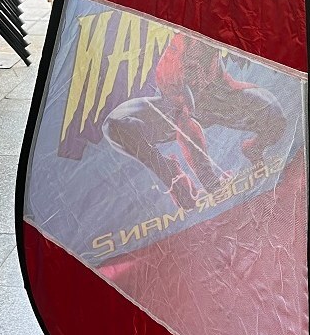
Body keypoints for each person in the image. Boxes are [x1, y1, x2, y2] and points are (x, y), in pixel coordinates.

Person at [103, 33, 286, 210]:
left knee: (275, 115)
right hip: (172, 115)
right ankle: (168, 171)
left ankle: (254, 148)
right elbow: (184, 124)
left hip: (214, 104)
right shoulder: (176, 59)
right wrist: (209, 181)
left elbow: (227, 82)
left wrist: (256, 99)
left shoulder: (210, 44)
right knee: (114, 125)